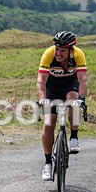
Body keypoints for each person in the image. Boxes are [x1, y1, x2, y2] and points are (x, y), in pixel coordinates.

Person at [36, 31, 89, 180]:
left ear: (71, 50)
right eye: (57, 49)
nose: (58, 53)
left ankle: (73, 137)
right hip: (52, 87)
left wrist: (82, 98)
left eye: (62, 50)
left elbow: (83, 79)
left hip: (70, 84)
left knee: (74, 100)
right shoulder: (49, 54)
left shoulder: (78, 55)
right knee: (48, 124)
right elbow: (41, 81)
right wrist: (42, 99)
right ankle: (47, 163)